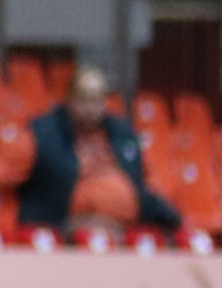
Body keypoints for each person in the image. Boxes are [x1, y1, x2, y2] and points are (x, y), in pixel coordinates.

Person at [22, 66, 182, 234]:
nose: (91, 107)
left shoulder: (122, 133)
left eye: (97, 100)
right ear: (69, 99)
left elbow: (141, 183)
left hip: (125, 228)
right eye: (84, 99)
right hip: (66, 228)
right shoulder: (43, 133)